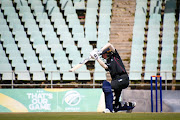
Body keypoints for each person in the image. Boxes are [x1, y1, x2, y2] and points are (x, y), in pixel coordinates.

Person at [90, 43, 135, 113]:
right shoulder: (108, 62)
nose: (103, 56)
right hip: (116, 81)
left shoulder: (115, 56)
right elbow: (105, 66)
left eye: (103, 54)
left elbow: (109, 44)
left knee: (107, 86)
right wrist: (96, 57)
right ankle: (130, 105)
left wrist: (100, 50)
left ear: (107, 53)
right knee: (115, 105)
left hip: (123, 78)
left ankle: (109, 109)